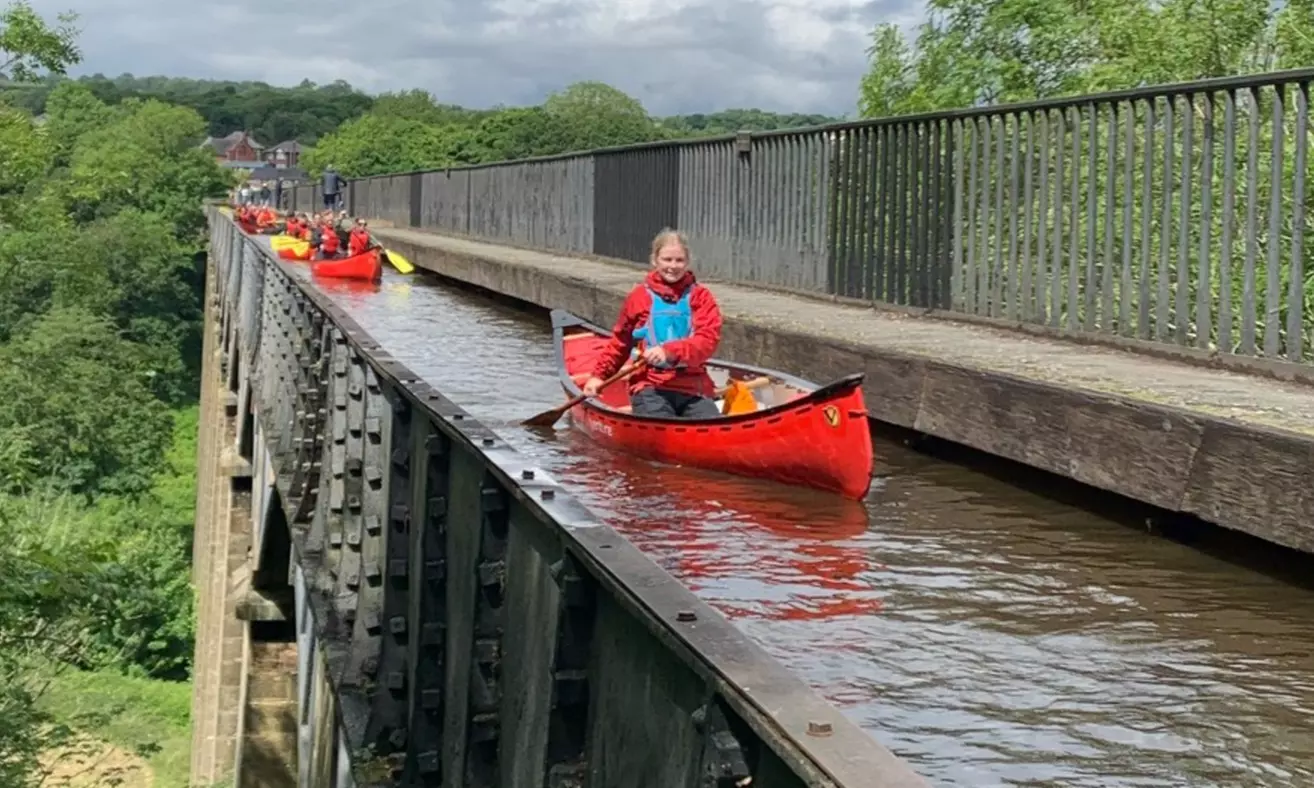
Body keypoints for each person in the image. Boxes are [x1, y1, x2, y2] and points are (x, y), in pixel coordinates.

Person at [581, 229, 723, 419]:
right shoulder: (639, 296)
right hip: (650, 385)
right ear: (655, 260)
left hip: (693, 385)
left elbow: (707, 342)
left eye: (679, 260)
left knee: (710, 423)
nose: (673, 266)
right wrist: (599, 376)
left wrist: (669, 350)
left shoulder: (701, 297)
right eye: (667, 259)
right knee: (660, 418)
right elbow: (621, 342)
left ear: (687, 262)